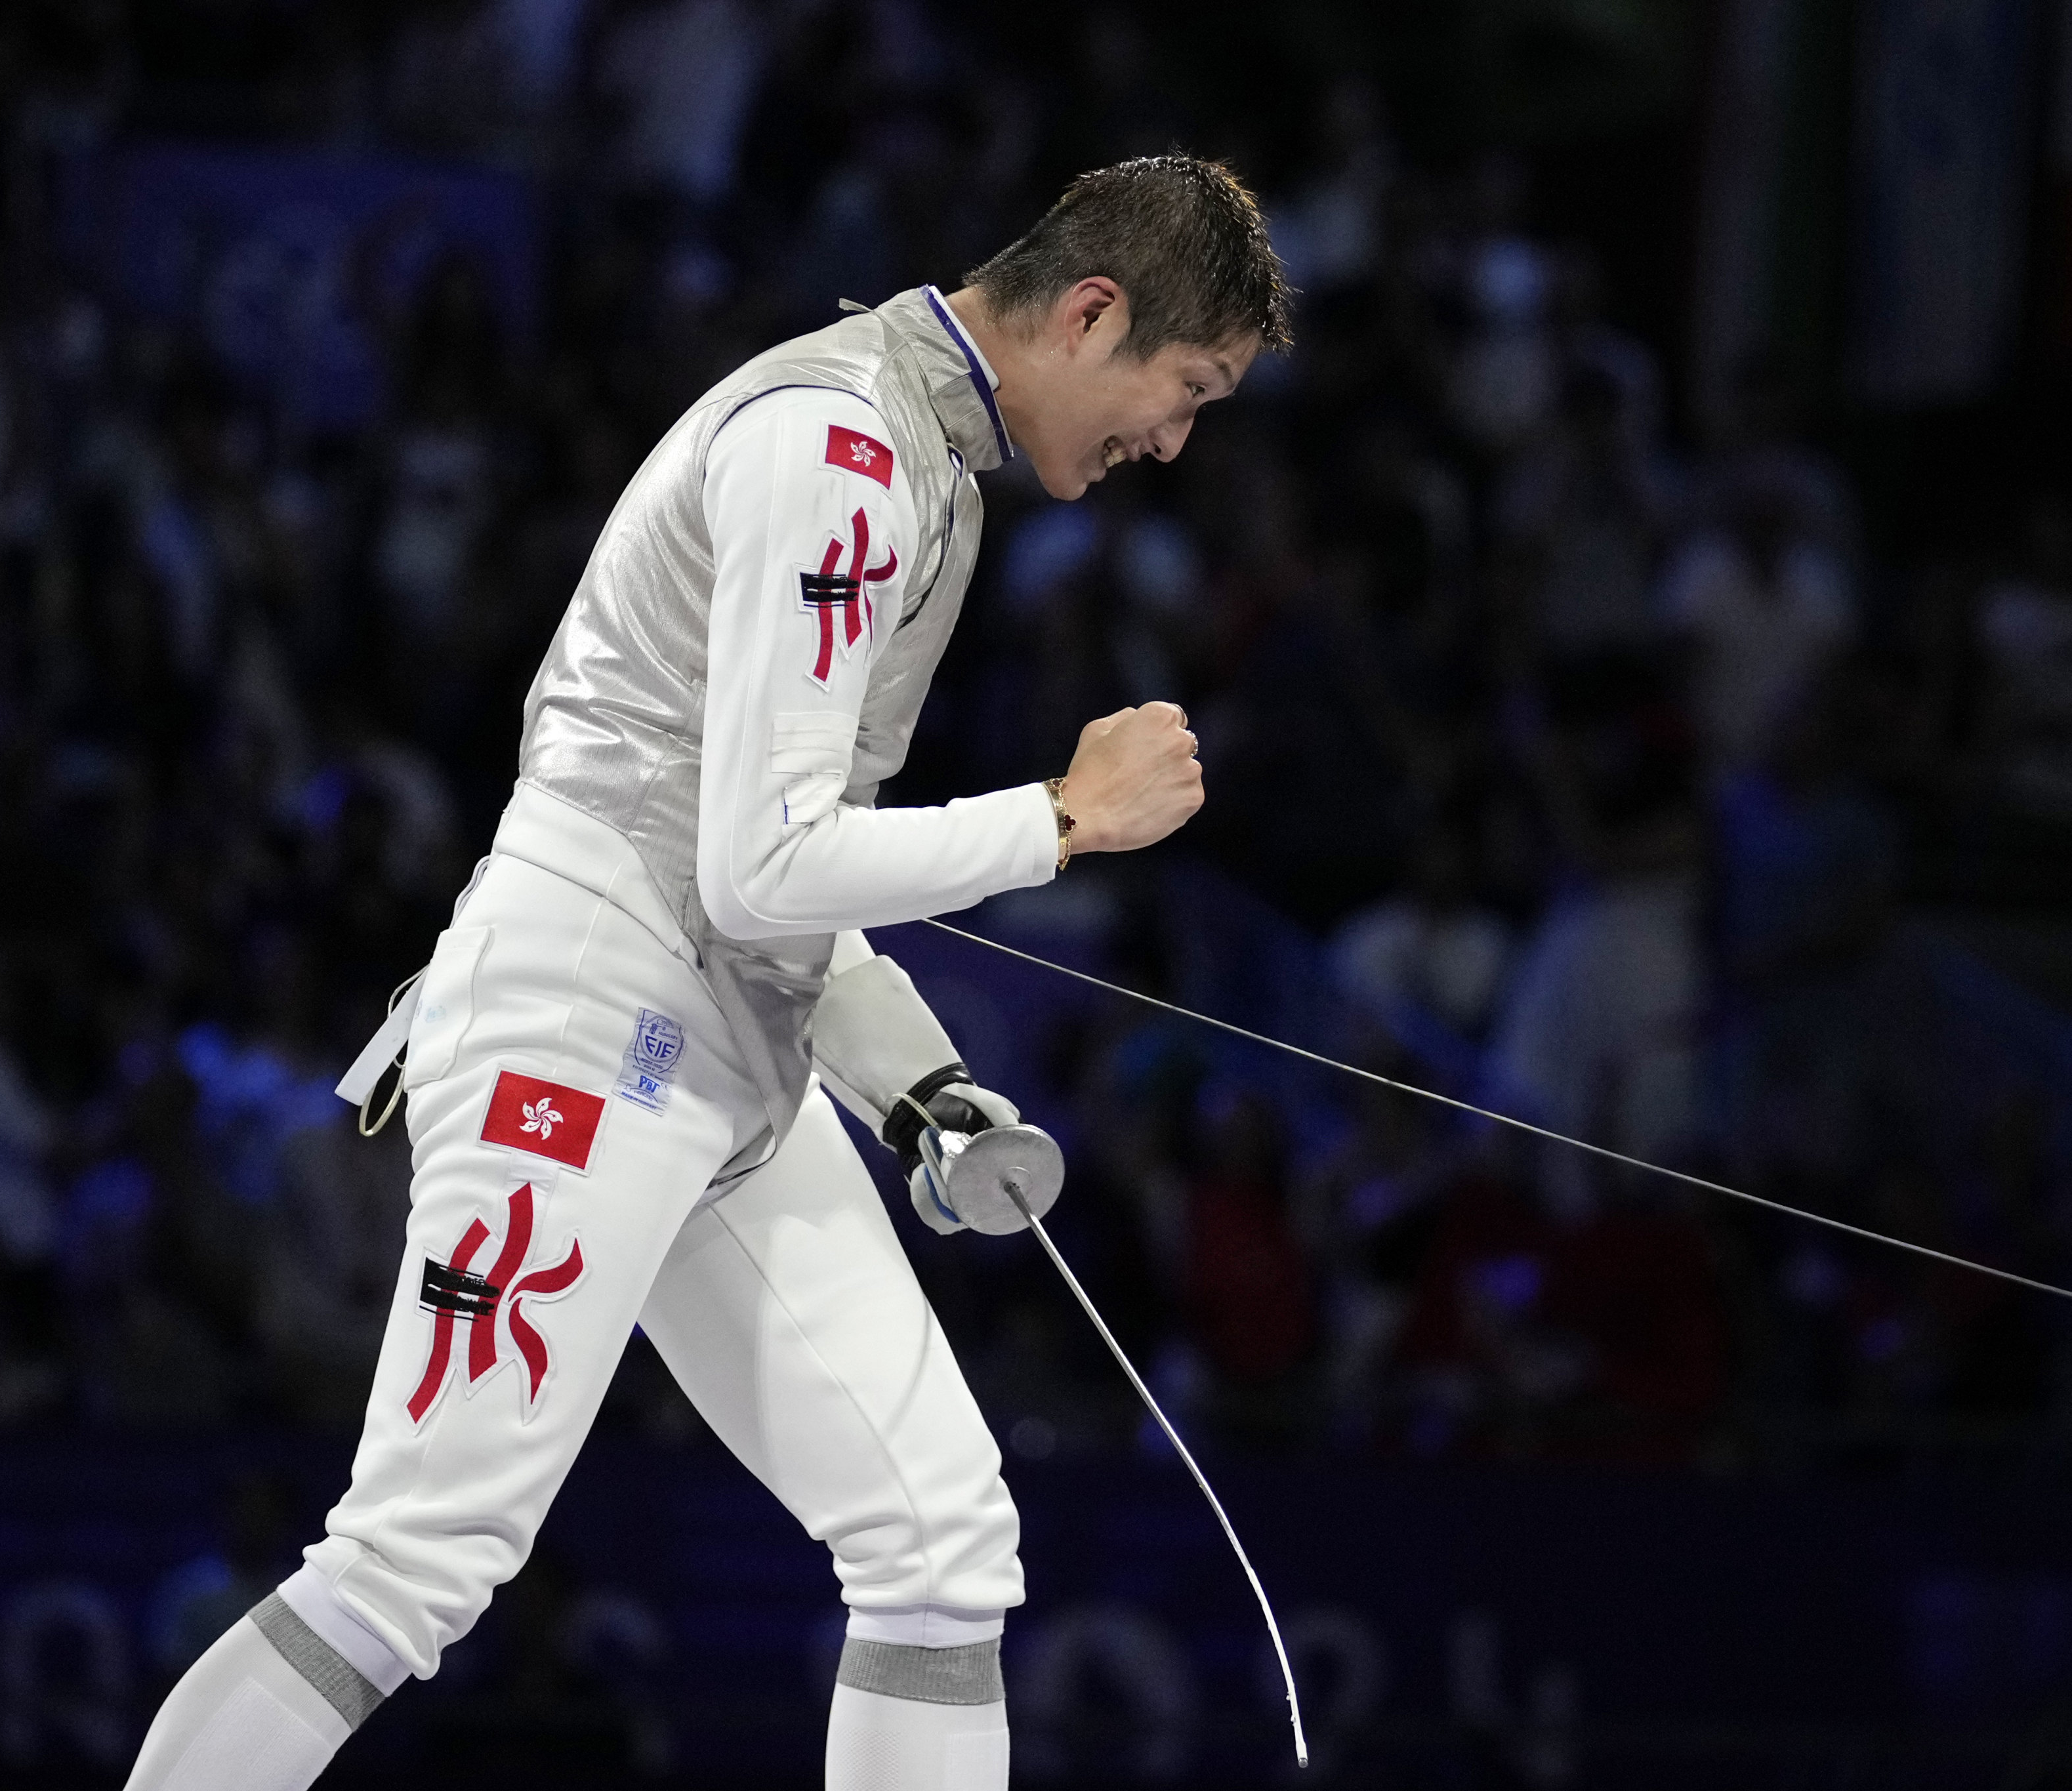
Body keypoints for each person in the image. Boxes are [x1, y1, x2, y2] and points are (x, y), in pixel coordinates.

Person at [123, 154, 1289, 1791]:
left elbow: (781, 882)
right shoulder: (840, 448)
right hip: (585, 1036)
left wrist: (923, 1091)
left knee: (939, 1539)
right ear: (1090, 313)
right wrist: (1061, 822)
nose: (1170, 442)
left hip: (718, 1052)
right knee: (414, 1558)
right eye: (1182, 394)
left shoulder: (919, 466)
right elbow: (763, 864)